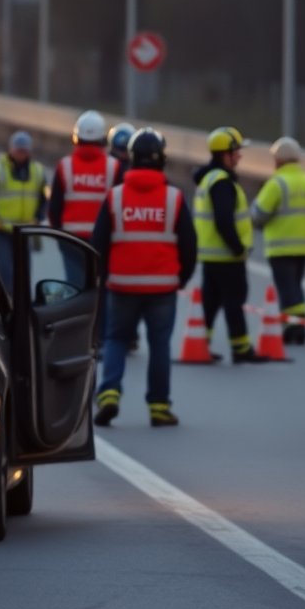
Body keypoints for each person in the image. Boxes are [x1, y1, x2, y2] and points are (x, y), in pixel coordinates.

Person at [90, 128, 197, 427]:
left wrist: (103, 276)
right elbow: (189, 245)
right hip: (162, 286)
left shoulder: (115, 197)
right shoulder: (174, 199)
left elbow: (98, 243)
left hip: (122, 284)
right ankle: (159, 407)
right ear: (162, 160)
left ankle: (109, 392)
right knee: (160, 345)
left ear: (132, 159)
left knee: (116, 339)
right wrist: (182, 278)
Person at [194, 126, 267, 363]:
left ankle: (199, 344)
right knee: (234, 301)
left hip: (212, 255)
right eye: (237, 151)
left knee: (211, 303)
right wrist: (237, 247)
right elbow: (224, 219)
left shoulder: (210, 178)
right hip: (226, 256)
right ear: (225, 154)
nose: (240, 155)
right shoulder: (222, 182)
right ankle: (241, 348)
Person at [251, 136, 305, 345]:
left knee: (288, 289)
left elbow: (258, 214)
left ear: (278, 160)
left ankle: (296, 327)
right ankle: (292, 325)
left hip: (280, 246)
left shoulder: (277, 183)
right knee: (294, 286)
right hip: (304, 245)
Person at [0, 130, 46, 286]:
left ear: (29, 151)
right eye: (18, 150)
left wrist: (38, 217)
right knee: (4, 272)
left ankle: (19, 305)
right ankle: (6, 304)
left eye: (24, 150)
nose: (21, 153)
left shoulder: (38, 172)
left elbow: (44, 200)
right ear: (11, 149)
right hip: (2, 230)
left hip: (25, 232)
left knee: (23, 273)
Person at [49, 110, 120, 241]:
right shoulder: (114, 166)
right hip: (102, 238)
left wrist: (59, 234)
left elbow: (54, 207)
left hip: (70, 238)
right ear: (103, 138)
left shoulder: (65, 165)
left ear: (76, 137)